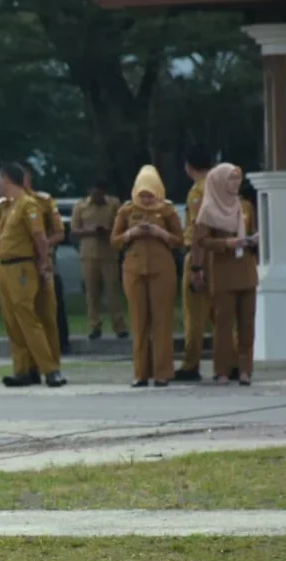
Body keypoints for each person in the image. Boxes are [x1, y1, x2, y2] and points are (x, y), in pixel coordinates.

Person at [112, 165, 184, 387]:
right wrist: (130, 233)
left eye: (150, 195)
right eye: (142, 195)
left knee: (162, 321)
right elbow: (114, 242)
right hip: (134, 270)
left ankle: (163, 372)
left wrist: (160, 233)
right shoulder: (126, 211)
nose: (146, 199)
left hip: (162, 269)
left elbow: (180, 240)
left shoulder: (167, 211)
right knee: (139, 321)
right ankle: (141, 372)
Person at [0, 163, 64, 387]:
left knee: (29, 318)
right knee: (12, 321)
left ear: (6, 180)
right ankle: (23, 370)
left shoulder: (29, 204)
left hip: (23, 266)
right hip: (5, 266)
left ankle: (50, 369)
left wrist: (44, 263)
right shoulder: (7, 206)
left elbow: (40, 238)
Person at [191, 163, 259, 386]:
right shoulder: (208, 209)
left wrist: (254, 240)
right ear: (219, 181)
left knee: (247, 324)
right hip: (223, 272)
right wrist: (226, 243)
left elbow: (255, 231)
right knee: (223, 324)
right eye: (231, 179)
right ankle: (222, 370)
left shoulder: (245, 206)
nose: (236, 183)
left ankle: (245, 370)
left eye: (238, 178)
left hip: (246, 269)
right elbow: (201, 240)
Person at [19, 165, 69, 383]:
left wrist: (42, 246)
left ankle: (52, 364)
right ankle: (26, 368)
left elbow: (59, 232)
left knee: (49, 314)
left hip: (44, 263)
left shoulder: (44, 201)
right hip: (18, 267)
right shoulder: (8, 204)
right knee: (22, 316)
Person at [176, 145, 218, 382]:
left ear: (189, 167)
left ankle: (190, 364)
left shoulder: (197, 192)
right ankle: (230, 360)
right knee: (218, 314)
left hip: (200, 254)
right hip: (218, 254)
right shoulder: (220, 187)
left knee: (194, 314)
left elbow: (198, 231)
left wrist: (196, 267)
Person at [71, 179, 127, 340]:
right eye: (94, 193)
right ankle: (95, 326)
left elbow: (122, 225)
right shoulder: (81, 206)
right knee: (92, 293)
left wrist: (108, 231)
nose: (97, 196)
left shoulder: (114, 204)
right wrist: (89, 230)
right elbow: (74, 230)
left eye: (100, 193)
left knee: (113, 292)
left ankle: (119, 326)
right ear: (89, 191)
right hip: (88, 254)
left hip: (109, 254)